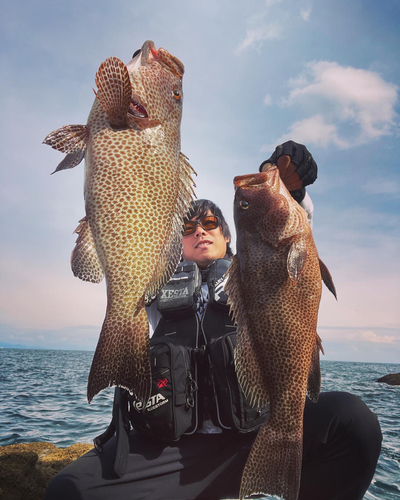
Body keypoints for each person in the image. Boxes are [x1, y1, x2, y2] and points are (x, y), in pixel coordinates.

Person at [44, 141, 382, 500]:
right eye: (188, 229)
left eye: (209, 224)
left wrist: (290, 187)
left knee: (353, 421)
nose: (199, 232)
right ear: (176, 243)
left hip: (254, 433)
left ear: (227, 235)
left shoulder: (258, 266)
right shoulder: (155, 281)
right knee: (68, 491)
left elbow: (288, 227)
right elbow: (124, 234)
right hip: (173, 451)